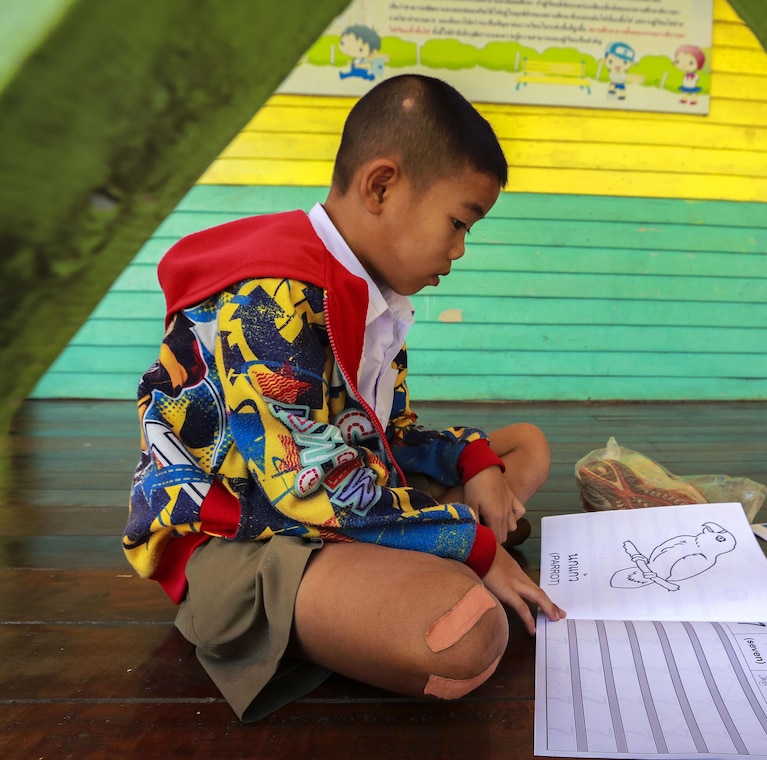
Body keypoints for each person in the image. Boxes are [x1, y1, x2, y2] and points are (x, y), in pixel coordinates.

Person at [122, 74, 565, 722]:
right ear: (381, 186)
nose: (461, 248)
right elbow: (311, 482)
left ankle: (423, 541)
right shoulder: (271, 296)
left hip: (332, 489)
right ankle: (425, 553)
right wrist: (476, 546)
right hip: (245, 537)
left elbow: (387, 432)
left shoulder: (374, 294)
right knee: (468, 631)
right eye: (458, 222)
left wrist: (471, 461)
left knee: (524, 445)